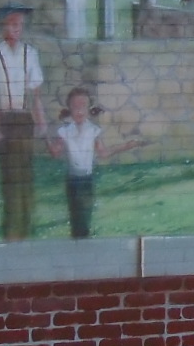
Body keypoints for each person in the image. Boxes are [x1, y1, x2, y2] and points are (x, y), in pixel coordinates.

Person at [0, 4, 47, 240]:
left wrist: (40, 120)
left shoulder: (31, 53)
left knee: (25, 175)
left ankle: (26, 227)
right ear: (3, 25)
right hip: (6, 118)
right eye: (13, 24)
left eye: (20, 24)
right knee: (9, 176)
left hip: (24, 117)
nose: (17, 28)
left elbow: (35, 92)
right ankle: (12, 230)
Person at [46, 86, 143, 238]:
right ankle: (77, 242)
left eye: (82, 106)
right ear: (69, 109)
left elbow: (103, 153)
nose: (79, 111)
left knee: (86, 214)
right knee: (75, 215)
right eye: (75, 107)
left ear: (88, 109)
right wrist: (46, 138)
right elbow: (55, 152)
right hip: (72, 180)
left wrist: (125, 146)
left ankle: (84, 241)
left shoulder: (93, 130)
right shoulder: (65, 131)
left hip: (87, 180)